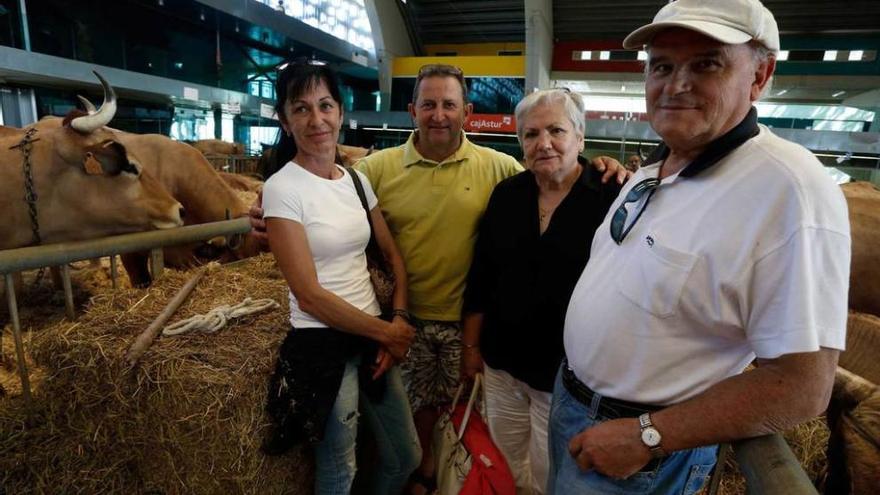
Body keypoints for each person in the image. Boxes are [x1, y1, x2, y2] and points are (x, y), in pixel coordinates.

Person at [251, 63, 628, 494]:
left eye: (449, 104)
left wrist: (605, 166)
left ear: (466, 110)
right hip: (400, 322)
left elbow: (554, 171)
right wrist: (262, 217)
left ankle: (448, 478)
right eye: (428, 104)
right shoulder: (376, 170)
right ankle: (424, 477)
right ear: (412, 110)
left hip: (459, 322)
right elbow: (319, 197)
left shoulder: (499, 170)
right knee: (406, 420)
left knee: (458, 414)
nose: (439, 114)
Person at [549, 1, 851, 494]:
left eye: (706, 64)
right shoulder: (655, 168)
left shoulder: (789, 190)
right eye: (661, 66)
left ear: (760, 76)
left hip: (638, 450)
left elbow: (801, 387)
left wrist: (647, 436)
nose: (676, 84)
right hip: (572, 406)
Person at [259, 60, 420, 495]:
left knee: (406, 456)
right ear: (285, 121)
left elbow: (390, 254)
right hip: (322, 343)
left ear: (341, 112)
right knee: (339, 468)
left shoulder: (354, 181)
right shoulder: (281, 189)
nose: (317, 120)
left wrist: (399, 315)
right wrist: (388, 333)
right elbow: (309, 295)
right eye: (301, 109)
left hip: (372, 334)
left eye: (325, 105)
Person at [460, 88, 622, 494]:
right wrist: (472, 349)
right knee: (504, 460)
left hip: (566, 378)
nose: (543, 143)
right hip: (501, 366)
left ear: (581, 138)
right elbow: (482, 276)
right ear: (520, 144)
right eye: (531, 134)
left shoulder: (611, 198)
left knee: (548, 471)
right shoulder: (507, 195)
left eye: (556, 130)